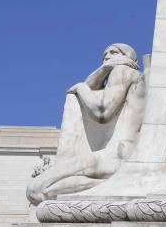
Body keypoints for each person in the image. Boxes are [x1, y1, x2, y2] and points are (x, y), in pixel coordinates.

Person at [26, 44, 145, 204]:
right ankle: (120, 184)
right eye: (105, 55)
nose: (107, 56)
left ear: (126, 57)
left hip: (116, 156)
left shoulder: (123, 71)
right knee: (39, 192)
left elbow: (102, 111)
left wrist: (81, 88)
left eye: (113, 52)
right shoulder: (133, 77)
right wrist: (103, 70)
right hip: (118, 157)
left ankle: (123, 182)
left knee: (35, 189)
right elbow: (93, 87)